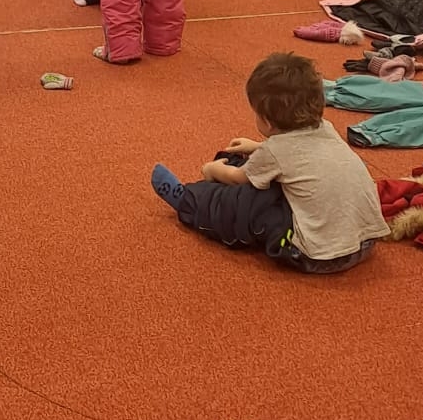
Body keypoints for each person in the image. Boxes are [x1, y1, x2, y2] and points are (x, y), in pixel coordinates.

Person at [151, 52, 388, 273]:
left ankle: (190, 200)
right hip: (365, 243)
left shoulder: (276, 151)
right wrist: (258, 148)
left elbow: (237, 179)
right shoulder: (326, 128)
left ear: (266, 121)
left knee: (248, 200)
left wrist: (211, 169)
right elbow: (303, 156)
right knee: (268, 176)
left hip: (316, 256)